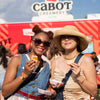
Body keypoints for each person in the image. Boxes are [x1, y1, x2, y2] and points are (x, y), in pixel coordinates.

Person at [2, 25, 56, 100]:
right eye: (38, 41)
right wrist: (24, 74)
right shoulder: (17, 59)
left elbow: (47, 88)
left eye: (46, 43)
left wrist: (52, 93)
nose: (41, 45)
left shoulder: (48, 65)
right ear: (31, 43)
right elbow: (5, 92)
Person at [50, 25, 97, 100]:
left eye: (70, 36)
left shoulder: (85, 60)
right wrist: (53, 88)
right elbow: (51, 87)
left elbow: (93, 92)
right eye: (63, 37)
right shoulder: (55, 61)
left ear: (77, 40)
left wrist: (79, 77)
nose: (66, 39)